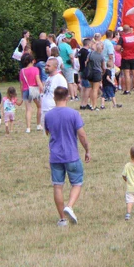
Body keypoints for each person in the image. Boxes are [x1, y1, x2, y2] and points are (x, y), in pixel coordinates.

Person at [45, 87, 90, 227]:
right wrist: (87, 150)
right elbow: (81, 135)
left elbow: (48, 132)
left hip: (55, 156)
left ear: (54, 97)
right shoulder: (73, 114)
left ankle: (62, 219)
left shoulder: (48, 115)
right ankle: (69, 206)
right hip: (71, 155)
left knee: (57, 186)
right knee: (77, 183)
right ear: (68, 97)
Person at [82, 38, 104, 111]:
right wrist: (103, 72)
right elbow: (103, 67)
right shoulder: (101, 56)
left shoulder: (90, 53)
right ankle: (94, 105)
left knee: (91, 88)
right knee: (95, 90)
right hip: (97, 72)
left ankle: (91, 104)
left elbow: (86, 62)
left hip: (90, 73)